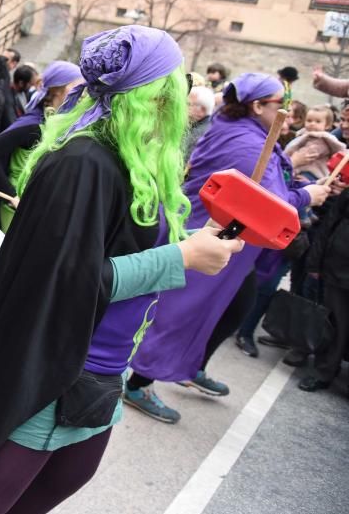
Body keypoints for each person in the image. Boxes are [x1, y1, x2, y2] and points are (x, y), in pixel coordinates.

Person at [0, 25, 242, 514]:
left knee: (60, 480)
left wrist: (193, 244)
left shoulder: (127, 160)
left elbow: (111, 248)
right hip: (56, 367)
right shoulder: (83, 162)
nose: (183, 91)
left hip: (102, 366)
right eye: (174, 78)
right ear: (152, 93)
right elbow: (62, 281)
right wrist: (180, 259)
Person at [126, 73, 330, 424]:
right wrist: (306, 195)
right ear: (256, 105)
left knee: (235, 307)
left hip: (232, 241)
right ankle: (139, 383)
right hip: (212, 232)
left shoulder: (247, 132)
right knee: (181, 312)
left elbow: (267, 179)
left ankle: (190, 365)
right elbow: (266, 199)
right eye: (278, 103)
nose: (285, 109)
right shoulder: (246, 141)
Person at [0, 61, 82, 230]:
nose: (82, 94)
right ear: (56, 90)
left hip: (32, 208)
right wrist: (11, 196)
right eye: (77, 87)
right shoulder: (33, 124)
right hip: (14, 210)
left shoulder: (54, 124)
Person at [299, 182, 349, 392]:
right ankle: (324, 371)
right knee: (336, 324)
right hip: (339, 268)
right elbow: (330, 224)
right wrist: (315, 262)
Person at [185, 85, 215, 157]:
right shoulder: (209, 125)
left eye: (188, 104)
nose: (184, 107)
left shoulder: (199, 134)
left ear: (202, 109)